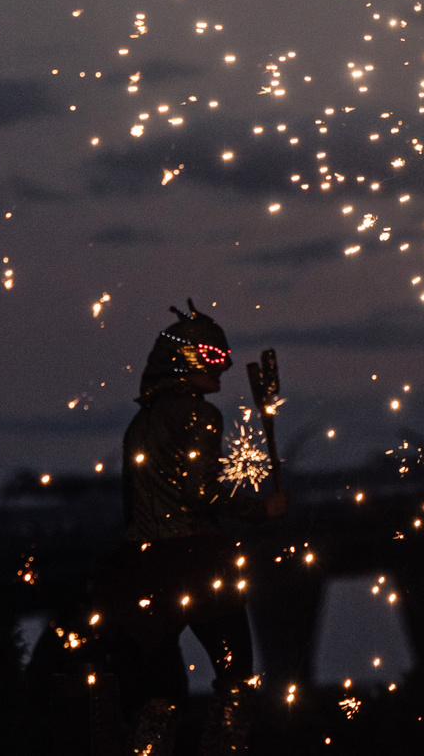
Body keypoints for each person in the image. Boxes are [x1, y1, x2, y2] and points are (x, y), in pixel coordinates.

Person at [90, 303, 287, 756]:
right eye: (213, 357)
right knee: (235, 679)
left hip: (141, 568)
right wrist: (262, 509)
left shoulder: (139, 425)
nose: (225, 367)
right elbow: (201, 493)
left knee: (156, 698)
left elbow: (132, 505)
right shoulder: (200, 415)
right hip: (196, 560)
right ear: (181, 359)